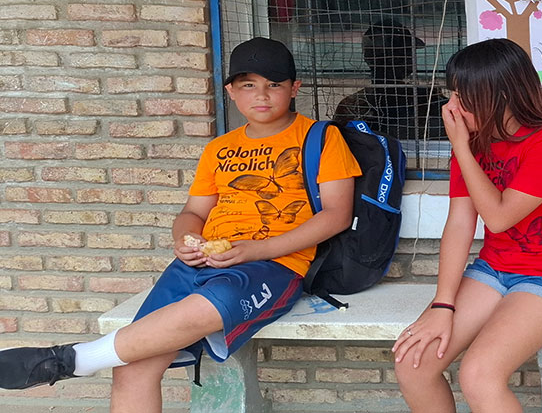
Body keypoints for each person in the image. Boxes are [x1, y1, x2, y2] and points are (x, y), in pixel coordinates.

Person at [0, 38, 362, 411]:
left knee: (212, 304)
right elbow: (194, 213)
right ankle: (79, 359)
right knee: (132, 367)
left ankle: (75, 359)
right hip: (202, 261)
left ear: (294, 88)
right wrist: (185, 239)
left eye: (274, 84)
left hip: (274, 263)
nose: (262, 95)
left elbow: (336, 215)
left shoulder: (321, 138)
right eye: (248, 85)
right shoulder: (219, 149)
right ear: (231, 92)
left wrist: (260, 249)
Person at [393, 38, 542, 413]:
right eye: (452, 94)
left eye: (462, 97)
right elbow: (459, 223)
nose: (451, 108)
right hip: (495, 270)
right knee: (413, 363)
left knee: (479, 375)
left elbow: (499, 218)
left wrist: (461, 149)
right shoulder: (474, 144)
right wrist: (443, 304)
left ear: (499, 96)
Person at [333, 20, 448, 140]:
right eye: (406, 52)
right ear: (392, 57)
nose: (411, 58)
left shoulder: (423, 96)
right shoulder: (421, 98)